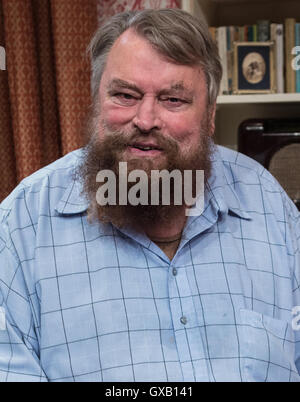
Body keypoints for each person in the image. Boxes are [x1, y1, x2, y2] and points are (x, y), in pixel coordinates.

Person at [0, 8, 300, 383]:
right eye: (125, 95)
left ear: (210, 115)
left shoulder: (267, 203)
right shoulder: (21, 224)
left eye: (173, 100)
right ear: (96, 103)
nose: (145, 119)